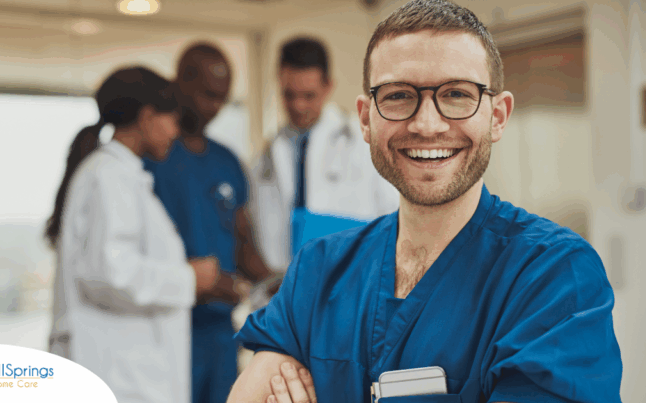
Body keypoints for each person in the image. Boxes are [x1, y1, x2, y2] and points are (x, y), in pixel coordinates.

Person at [228, 1, 624, 402]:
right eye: (399, 95)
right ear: (366, 119)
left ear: (498, 116)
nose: (426, 124)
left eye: (456, 94)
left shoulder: (554, 277)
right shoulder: (318, 271)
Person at [44, 66, 219, 403]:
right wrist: (188, 278)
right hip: (115, 373)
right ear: (147, 117)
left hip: (125, 370)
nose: (175, 132)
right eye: (171, 120)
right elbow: (110, 274)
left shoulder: (120, 176)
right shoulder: (108, 178)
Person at [143, 43, 274, 403]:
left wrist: (278, 283)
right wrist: (198, 281)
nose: (213, 107)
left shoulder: (227, 162)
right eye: (206, 94)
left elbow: (243, 242)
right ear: (180, 81)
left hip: (219, 333)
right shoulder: (151, 157)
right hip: (163, 326)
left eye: (222, 98)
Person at [251, 37, 398, 274]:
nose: (298, 105)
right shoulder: (267, 155)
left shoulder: (363, 143)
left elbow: (396, 219)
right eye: (289, 95)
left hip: (352, 279)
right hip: (286, 285)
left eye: (308, 96)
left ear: (328, 86)